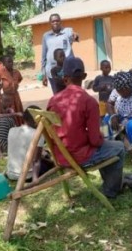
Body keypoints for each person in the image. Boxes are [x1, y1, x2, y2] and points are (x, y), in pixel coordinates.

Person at [47, 57, 125, 198]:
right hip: (78, 156)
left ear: (65, 79)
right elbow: (95, 141)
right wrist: (102, 139)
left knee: (107, 147)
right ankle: (111, 190)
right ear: (84, 76)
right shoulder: (89, 102)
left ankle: (109, 184)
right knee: (118, 147)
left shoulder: (53, 100)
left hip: (60, 154)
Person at [6, 106, 54, 182]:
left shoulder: (11, 130)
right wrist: (35, 179)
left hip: (11, 174)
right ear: (37, 121)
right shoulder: (37, 134)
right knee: (48, 163)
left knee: (44, 155)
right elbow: (36, 160)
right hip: (27, 176)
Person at [41, 13, 78, 92]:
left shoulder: (67, 31)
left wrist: (75, 35)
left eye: (57, 21)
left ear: (60, 22)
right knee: (57, 95)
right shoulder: (46, 36)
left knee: (70, 93)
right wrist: (44, 74)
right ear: (50, 23)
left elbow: (74, 35)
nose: (55, 23)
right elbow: (44, 56)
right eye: (53, 21)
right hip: (52, 72)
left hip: (67, 70)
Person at [0, 55, 24, 124]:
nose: (11, 63)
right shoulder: (1, 72)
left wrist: (13, 85)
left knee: (18, 111)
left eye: (11, 61)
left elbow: (19, 79)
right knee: (9, 112)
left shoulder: (16, 72)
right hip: (6, 97)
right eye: (8, 62)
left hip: (16, 96)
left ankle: (19, 126)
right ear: (4, 63)